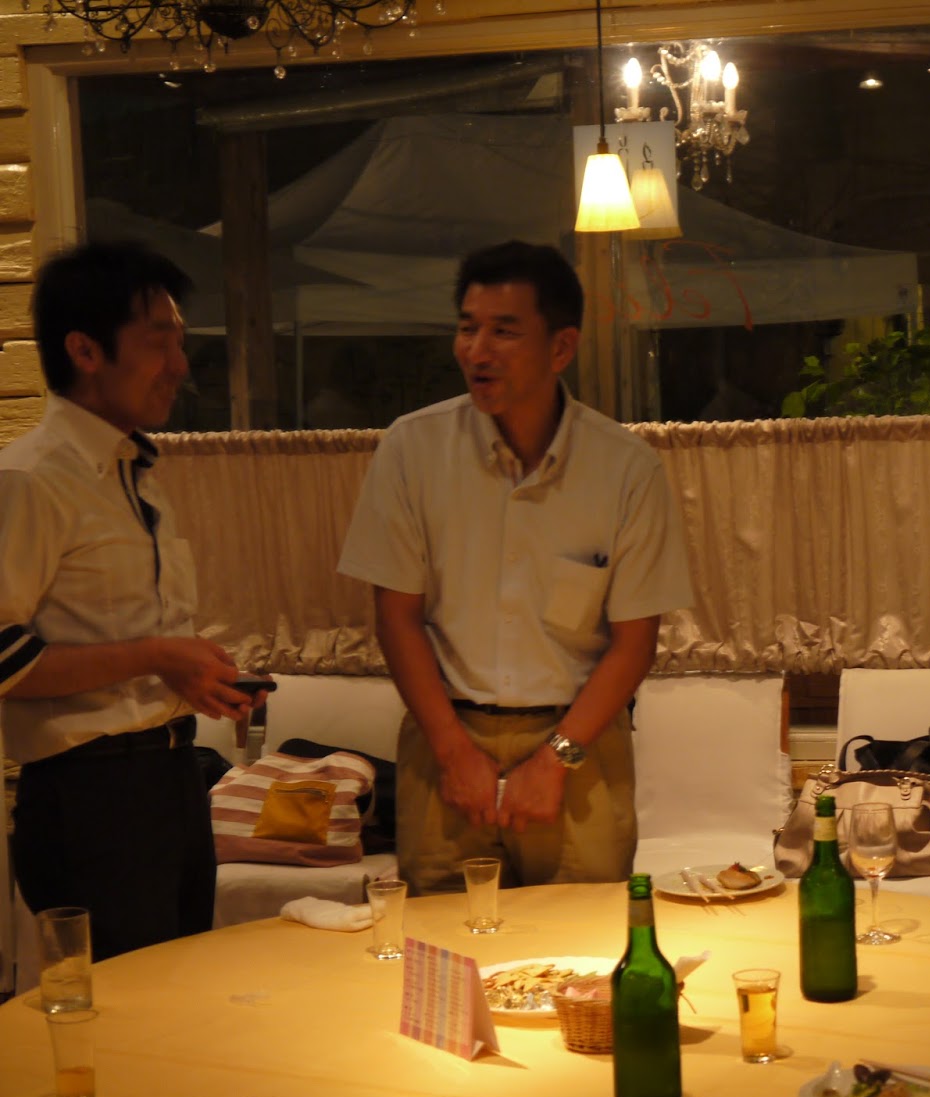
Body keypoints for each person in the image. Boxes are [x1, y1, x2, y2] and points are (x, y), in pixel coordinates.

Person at [337, 241, 693, 893]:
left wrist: (555, 761)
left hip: (580, 745)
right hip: (445, 738)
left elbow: (635, 642)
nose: (477, 351)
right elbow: (396, 618)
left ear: (561, 348)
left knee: (580, 944)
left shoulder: (625, 468)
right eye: (467, 328)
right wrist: (453, 752)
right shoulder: (413, 449)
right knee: (446, 943)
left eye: (503, 331)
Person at [0, 240, 260, 959]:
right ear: (85, 350)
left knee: (182, 999)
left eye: (179, 341)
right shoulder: (31, 478)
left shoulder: (132, 471)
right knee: (125, 1010)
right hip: (88, 796)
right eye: (158, 341)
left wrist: (191, 674)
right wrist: (155, 655)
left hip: (171, 778)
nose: (179, 364)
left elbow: (119, 640)